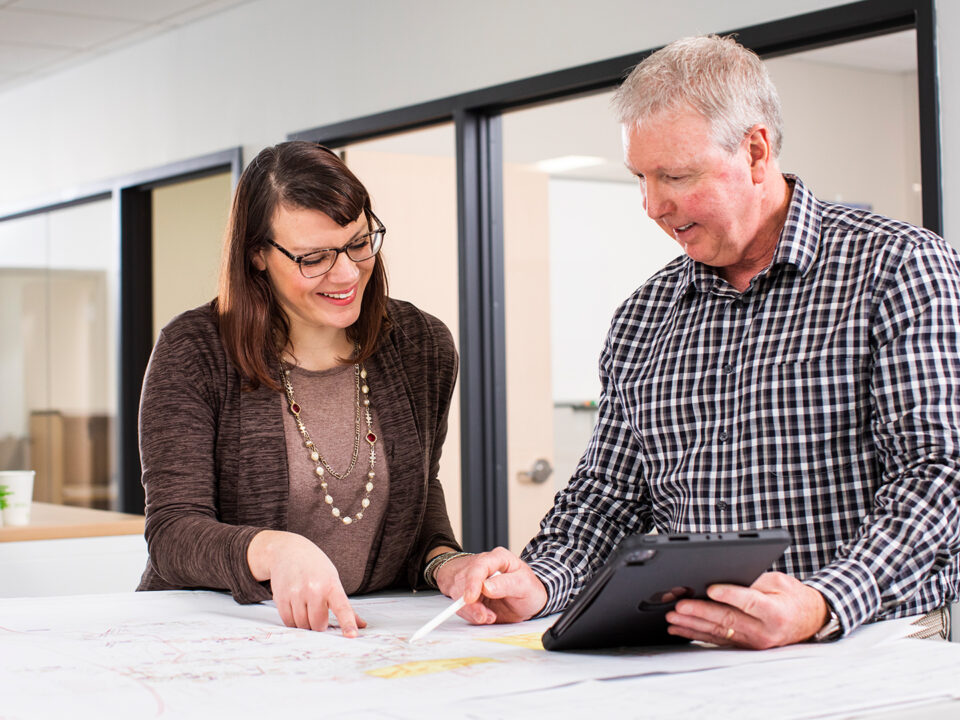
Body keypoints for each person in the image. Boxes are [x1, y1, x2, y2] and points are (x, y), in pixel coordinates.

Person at [440, 35, 960, 648]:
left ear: (757, 152)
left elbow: (939, 475)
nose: (653, 205)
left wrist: (823, 603)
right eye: (640, 177)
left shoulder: (898, 268)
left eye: (676, 176)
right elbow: (608, 497)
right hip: (697, 655)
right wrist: (539, 581)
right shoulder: (643, 317)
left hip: (869, 644)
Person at [137, 141, 463, 636]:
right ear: (257, 256)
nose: (348, 273)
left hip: (361, 637)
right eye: (314, 258)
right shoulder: (194, 351)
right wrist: (273, 548)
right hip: (220, 637)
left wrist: (446, 562)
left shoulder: (422, 345)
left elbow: (419, 495)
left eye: (358, 242)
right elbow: (173, 533)